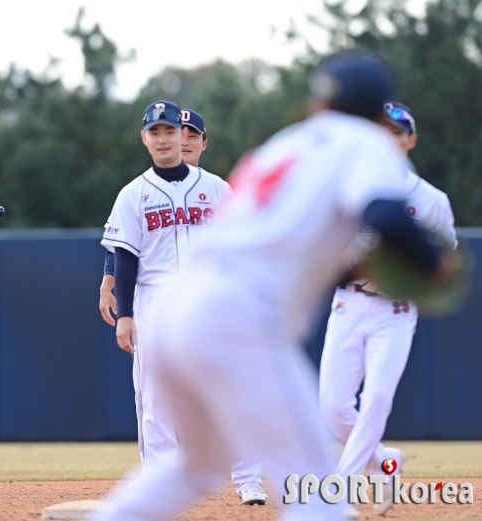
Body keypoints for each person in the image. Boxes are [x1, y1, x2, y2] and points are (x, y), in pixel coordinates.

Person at [94, 51, 457, 521]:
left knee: (194, 466)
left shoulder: (287, 144)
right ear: (374, 109)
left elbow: (279, 238)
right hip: (236, 315)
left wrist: (351, 270)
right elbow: (385, 214)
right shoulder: (364, 142)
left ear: (318, 103)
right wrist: (433, 266)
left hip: (171, 309)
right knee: (317, 493)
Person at [99, 109, 268, 506]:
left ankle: (248, 480)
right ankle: (159, 482)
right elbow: (124, 256)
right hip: (155, 300)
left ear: (184, 138)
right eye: (154, 131)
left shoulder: (218, 189)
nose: (164, 138)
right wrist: (125, 314)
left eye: (171, 131)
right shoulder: (132, 193)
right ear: (145, 138)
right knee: (155, 398)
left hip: (210, 300)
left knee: (232, 391)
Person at [319, 101, 457, 517]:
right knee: (333, 407)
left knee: (377, 396)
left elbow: (444, 261)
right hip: (347, 303)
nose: (387, 139)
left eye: (397, 132)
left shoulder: (431, 199)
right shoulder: (347, 189)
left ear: (410, 139)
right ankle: (386, 460)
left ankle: (337, 492)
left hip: (394, 310)